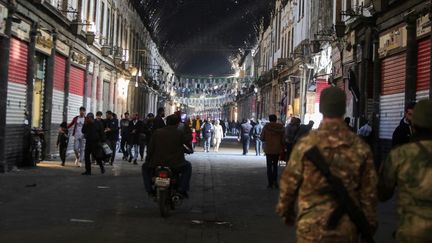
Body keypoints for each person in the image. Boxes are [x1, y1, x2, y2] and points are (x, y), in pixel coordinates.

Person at [276, 87, 378, 242]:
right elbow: (369, 193)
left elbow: (289, 183)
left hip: (310, 228)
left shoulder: (306, 144)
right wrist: (368, 225)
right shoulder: (360, 146)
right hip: (346, 229)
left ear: (322, 109)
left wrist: (286, 211)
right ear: (344, 108)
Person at [378, 99, 432, 243]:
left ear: (414, 122)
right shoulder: (400, 134)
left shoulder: (400, 155)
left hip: (410, 233)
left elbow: (382, 193)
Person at [142, 114, 192, 198]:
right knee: (188, 167)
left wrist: (148, 159)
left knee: (145, 167)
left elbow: (150, 148)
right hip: (176, 164)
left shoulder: (157, 132)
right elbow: (188, 140)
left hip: (157, 162)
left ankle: (149, 189)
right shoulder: (179, 133)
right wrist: (187, 129)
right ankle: (181, 189)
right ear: (177, 124)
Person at [261, 115, 284, 188]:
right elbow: (283, 139)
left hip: (268, 149)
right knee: (275, 166)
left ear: (269, 119)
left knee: (269, 166)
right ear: (276, 119)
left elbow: (262, 138)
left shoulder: (266, 127)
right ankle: (275, 181)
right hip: (277, 149)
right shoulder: (281, 127)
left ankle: (270, 183)